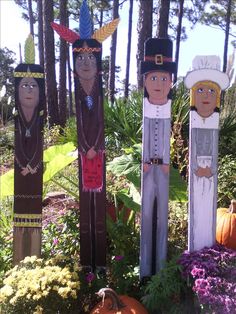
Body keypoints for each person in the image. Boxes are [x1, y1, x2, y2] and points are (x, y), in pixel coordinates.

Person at [184, 55, 229, 252]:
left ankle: (206, 256)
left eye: (212, 90)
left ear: (218, 96)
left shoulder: (213, 125)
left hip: (209, 174)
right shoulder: (195, 124)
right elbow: (192, 152)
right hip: (197, 173)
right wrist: (196, 168)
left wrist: (209, 171)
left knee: (208, 212)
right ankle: (194, 254)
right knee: (196, 213)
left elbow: (212, 152)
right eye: (200, 90)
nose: (206, 96)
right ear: (193, 94)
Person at [140, 38, 176, 278]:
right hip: (146, 169)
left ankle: (161, 270)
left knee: (162, 218)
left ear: (171, 82)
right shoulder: (146, 108)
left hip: (162, 170)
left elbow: (165, 139)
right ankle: (144, 272)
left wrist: (165, 163)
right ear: (144, 80)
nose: (158, 83)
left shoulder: (167, 110)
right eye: (153, 77)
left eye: (164, 78)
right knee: (146, 218)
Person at [73, 38, 106, 271]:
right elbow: (79, 122)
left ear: (98, 65)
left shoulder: (99, 92)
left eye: (91, 58)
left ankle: (101, 262)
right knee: (86, 205)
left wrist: (95, 147)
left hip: (98, 155)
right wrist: (85, 148)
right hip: (86, 156)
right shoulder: (78, 93)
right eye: (80, 58)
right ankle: (87, 263)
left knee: (99, 205)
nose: (85, 62)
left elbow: (102, 122)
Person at [13, 62, 45, 264]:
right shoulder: (16, 120)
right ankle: (18, 260)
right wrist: (22, 164)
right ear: (16, 89)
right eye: (24, 84)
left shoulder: (39, 121)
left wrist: (33, 165)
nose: (29, 89)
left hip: (33, 176)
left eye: (33, 85)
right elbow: (17, 146)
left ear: (40, 91)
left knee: (34, 214)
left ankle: (35, 259)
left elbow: (40, 145)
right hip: (21, 176)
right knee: (21, 213)